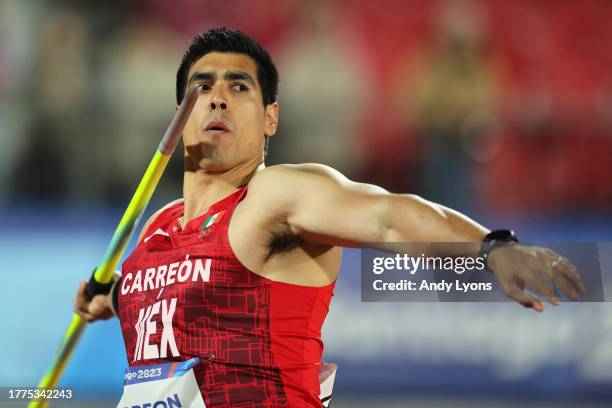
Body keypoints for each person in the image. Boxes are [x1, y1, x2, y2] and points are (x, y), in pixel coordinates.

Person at [74, 28, 584, 408]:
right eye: (201, 85)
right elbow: (190, 300)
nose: (218, 96)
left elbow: (387, 216)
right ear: (179, 116)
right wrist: (118, 294)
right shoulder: (159, 227)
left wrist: (491, 249)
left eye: (240, 87)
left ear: (270, 117)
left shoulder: (273, 197)